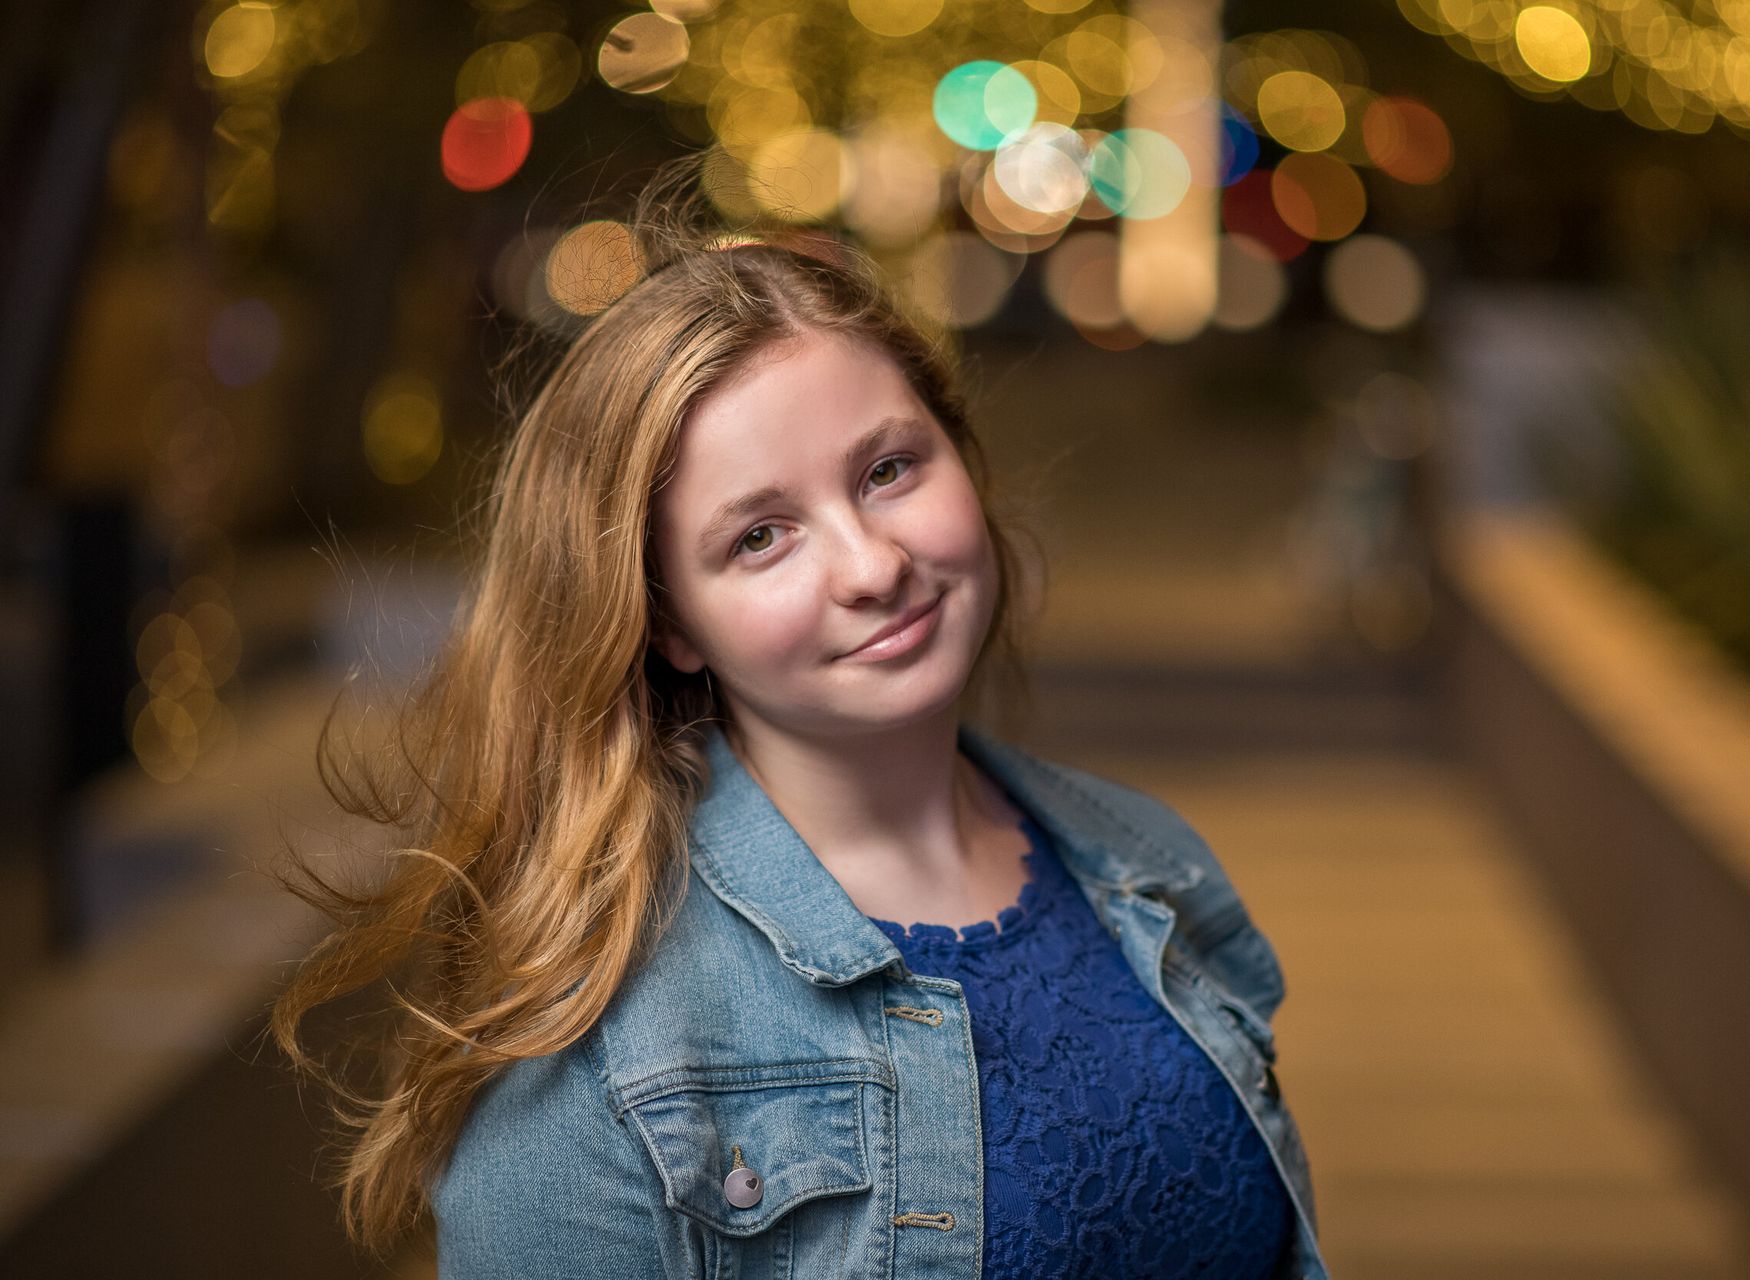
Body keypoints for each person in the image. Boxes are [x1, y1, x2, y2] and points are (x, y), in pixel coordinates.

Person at [271, 157, 1328, 1279]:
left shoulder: (1145, 866)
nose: (873, 564)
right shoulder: (598, 1049)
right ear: (670, 623)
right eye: (760, 536)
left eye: (887, 468)